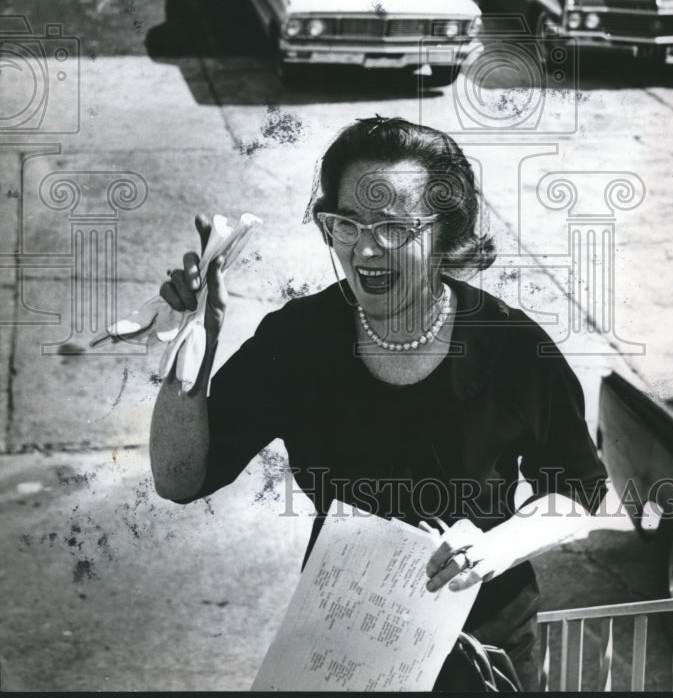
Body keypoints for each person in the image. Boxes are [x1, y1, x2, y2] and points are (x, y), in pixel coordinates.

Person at [149, 116, 608, 691]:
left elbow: (579, 489)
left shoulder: (513, 347)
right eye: (347, 223)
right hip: (341, 642)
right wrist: (192, 341)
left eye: (394, 226)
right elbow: (179, 478)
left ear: (446, 233)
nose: (365, 248)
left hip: (481, 645)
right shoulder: (298, 340)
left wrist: (492, 549)